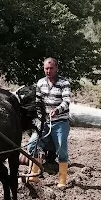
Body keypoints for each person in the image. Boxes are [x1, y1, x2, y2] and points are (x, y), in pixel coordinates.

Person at [27, 57, 71, 188]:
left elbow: (66, 101)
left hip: (60, 121)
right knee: (32, 144)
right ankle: (34, 175)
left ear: (56, 68)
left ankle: (62, 180)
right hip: (44, 122)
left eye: (51, 68)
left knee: (61, 148)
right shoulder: (40, 83)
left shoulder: (64, 83)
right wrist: (40, 117)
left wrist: (57, 110)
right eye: (46, 68)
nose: (48, 70)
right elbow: (38, 102)